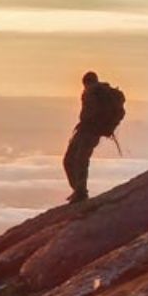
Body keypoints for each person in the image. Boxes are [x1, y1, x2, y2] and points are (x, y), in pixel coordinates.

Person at [63, 70, 108, 203]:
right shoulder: (101, 92)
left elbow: (88, 114)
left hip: (88, 131)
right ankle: (79, 190)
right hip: (92, 132)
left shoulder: (91, 92)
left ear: (85, 82)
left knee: (75, 160)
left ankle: (80, 192)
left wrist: (85, 122)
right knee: (78, 159)